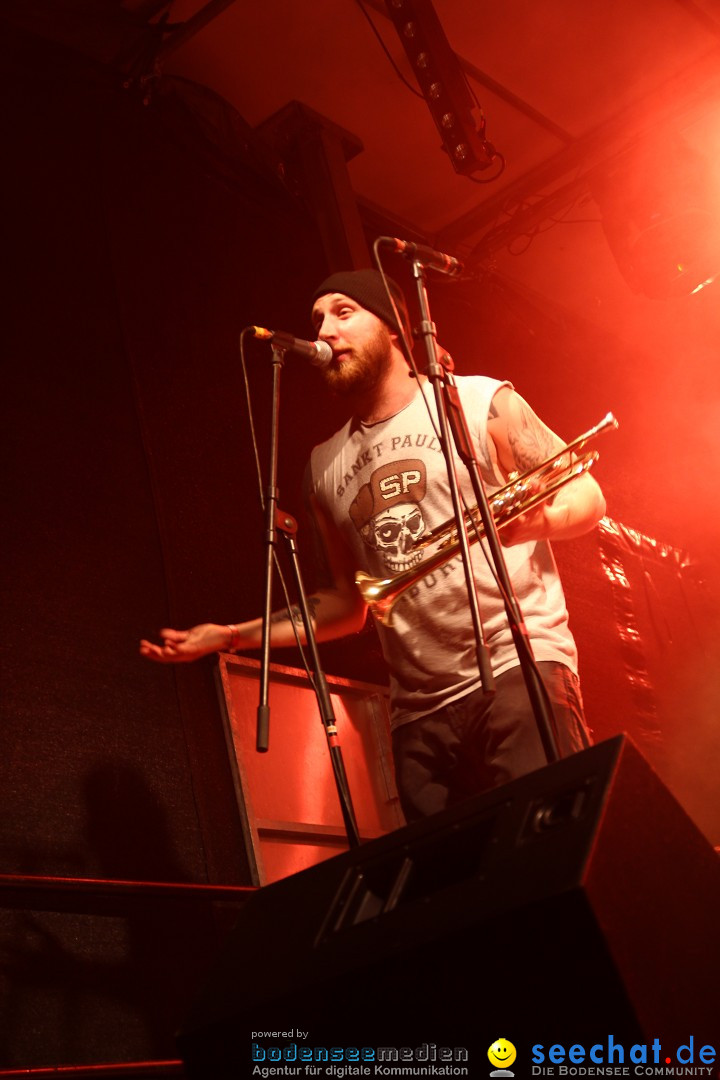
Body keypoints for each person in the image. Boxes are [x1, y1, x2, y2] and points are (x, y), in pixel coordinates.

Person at [140, 269, 606, 821]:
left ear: (392, 328)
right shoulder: (322, 466)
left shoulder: (478, 401)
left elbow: (587, 495)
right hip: (418, 714)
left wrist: (526, 525)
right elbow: (343, 604)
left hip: (517, 668)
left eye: (343, 312)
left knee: (551, 851)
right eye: (316, 319)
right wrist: (234, 637)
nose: (324, 330)